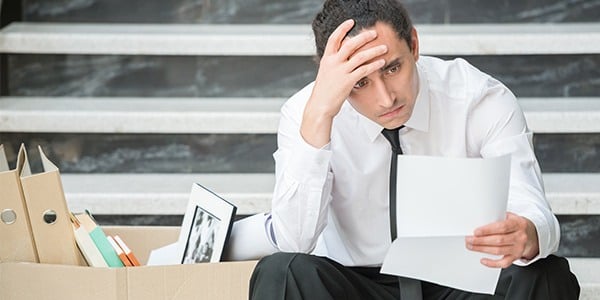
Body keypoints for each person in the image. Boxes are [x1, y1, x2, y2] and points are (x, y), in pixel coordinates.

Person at [249, 0, 580, 299]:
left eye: (393, 68)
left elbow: (533, 210)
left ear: (414, 45)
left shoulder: (479, 98)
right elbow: (293, 241)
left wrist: (529, 233)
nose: (386, 98)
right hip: (355, 283)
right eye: (360, 82)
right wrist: (319, 116)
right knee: (281, 273)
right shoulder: (305, 113)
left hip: (460, 281)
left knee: (545, 275)